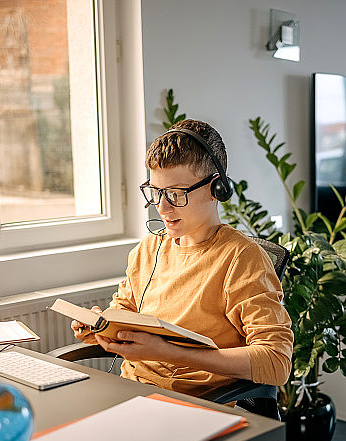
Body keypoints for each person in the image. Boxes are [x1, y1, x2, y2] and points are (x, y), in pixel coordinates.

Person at [71, 119, 293, 397]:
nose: (162, 207)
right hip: (130, 392)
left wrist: (171, 353)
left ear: (216, 189)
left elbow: (276, 362)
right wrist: (102, 328)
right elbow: (125, 314)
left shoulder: (242, 258)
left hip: (196, 406)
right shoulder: (147, 250)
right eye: (156, 192)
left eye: (175, 194)